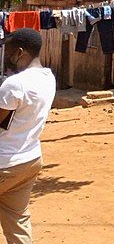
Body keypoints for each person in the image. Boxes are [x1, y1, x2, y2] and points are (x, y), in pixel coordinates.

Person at [0, 28, 56, 244]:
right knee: (17, 219)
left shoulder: (15, 84)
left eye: (9, 51)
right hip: (29, 159)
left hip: (5, 162)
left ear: (20, 52)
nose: (6, 56)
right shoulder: (48, 78)